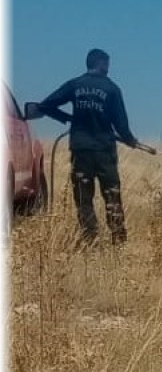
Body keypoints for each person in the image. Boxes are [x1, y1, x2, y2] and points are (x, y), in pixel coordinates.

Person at [39, 49, 141, 246]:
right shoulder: (111, 89)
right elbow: (121, 124)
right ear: (101, 64)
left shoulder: (75, 85)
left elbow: (46, 105)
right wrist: (130, 140)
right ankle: (118, 241)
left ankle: (90, 240)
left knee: (84, 198)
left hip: (81, 150)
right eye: (107, 64)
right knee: (112, 195)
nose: (109, 69)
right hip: (104, 151)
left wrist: (68, 119)